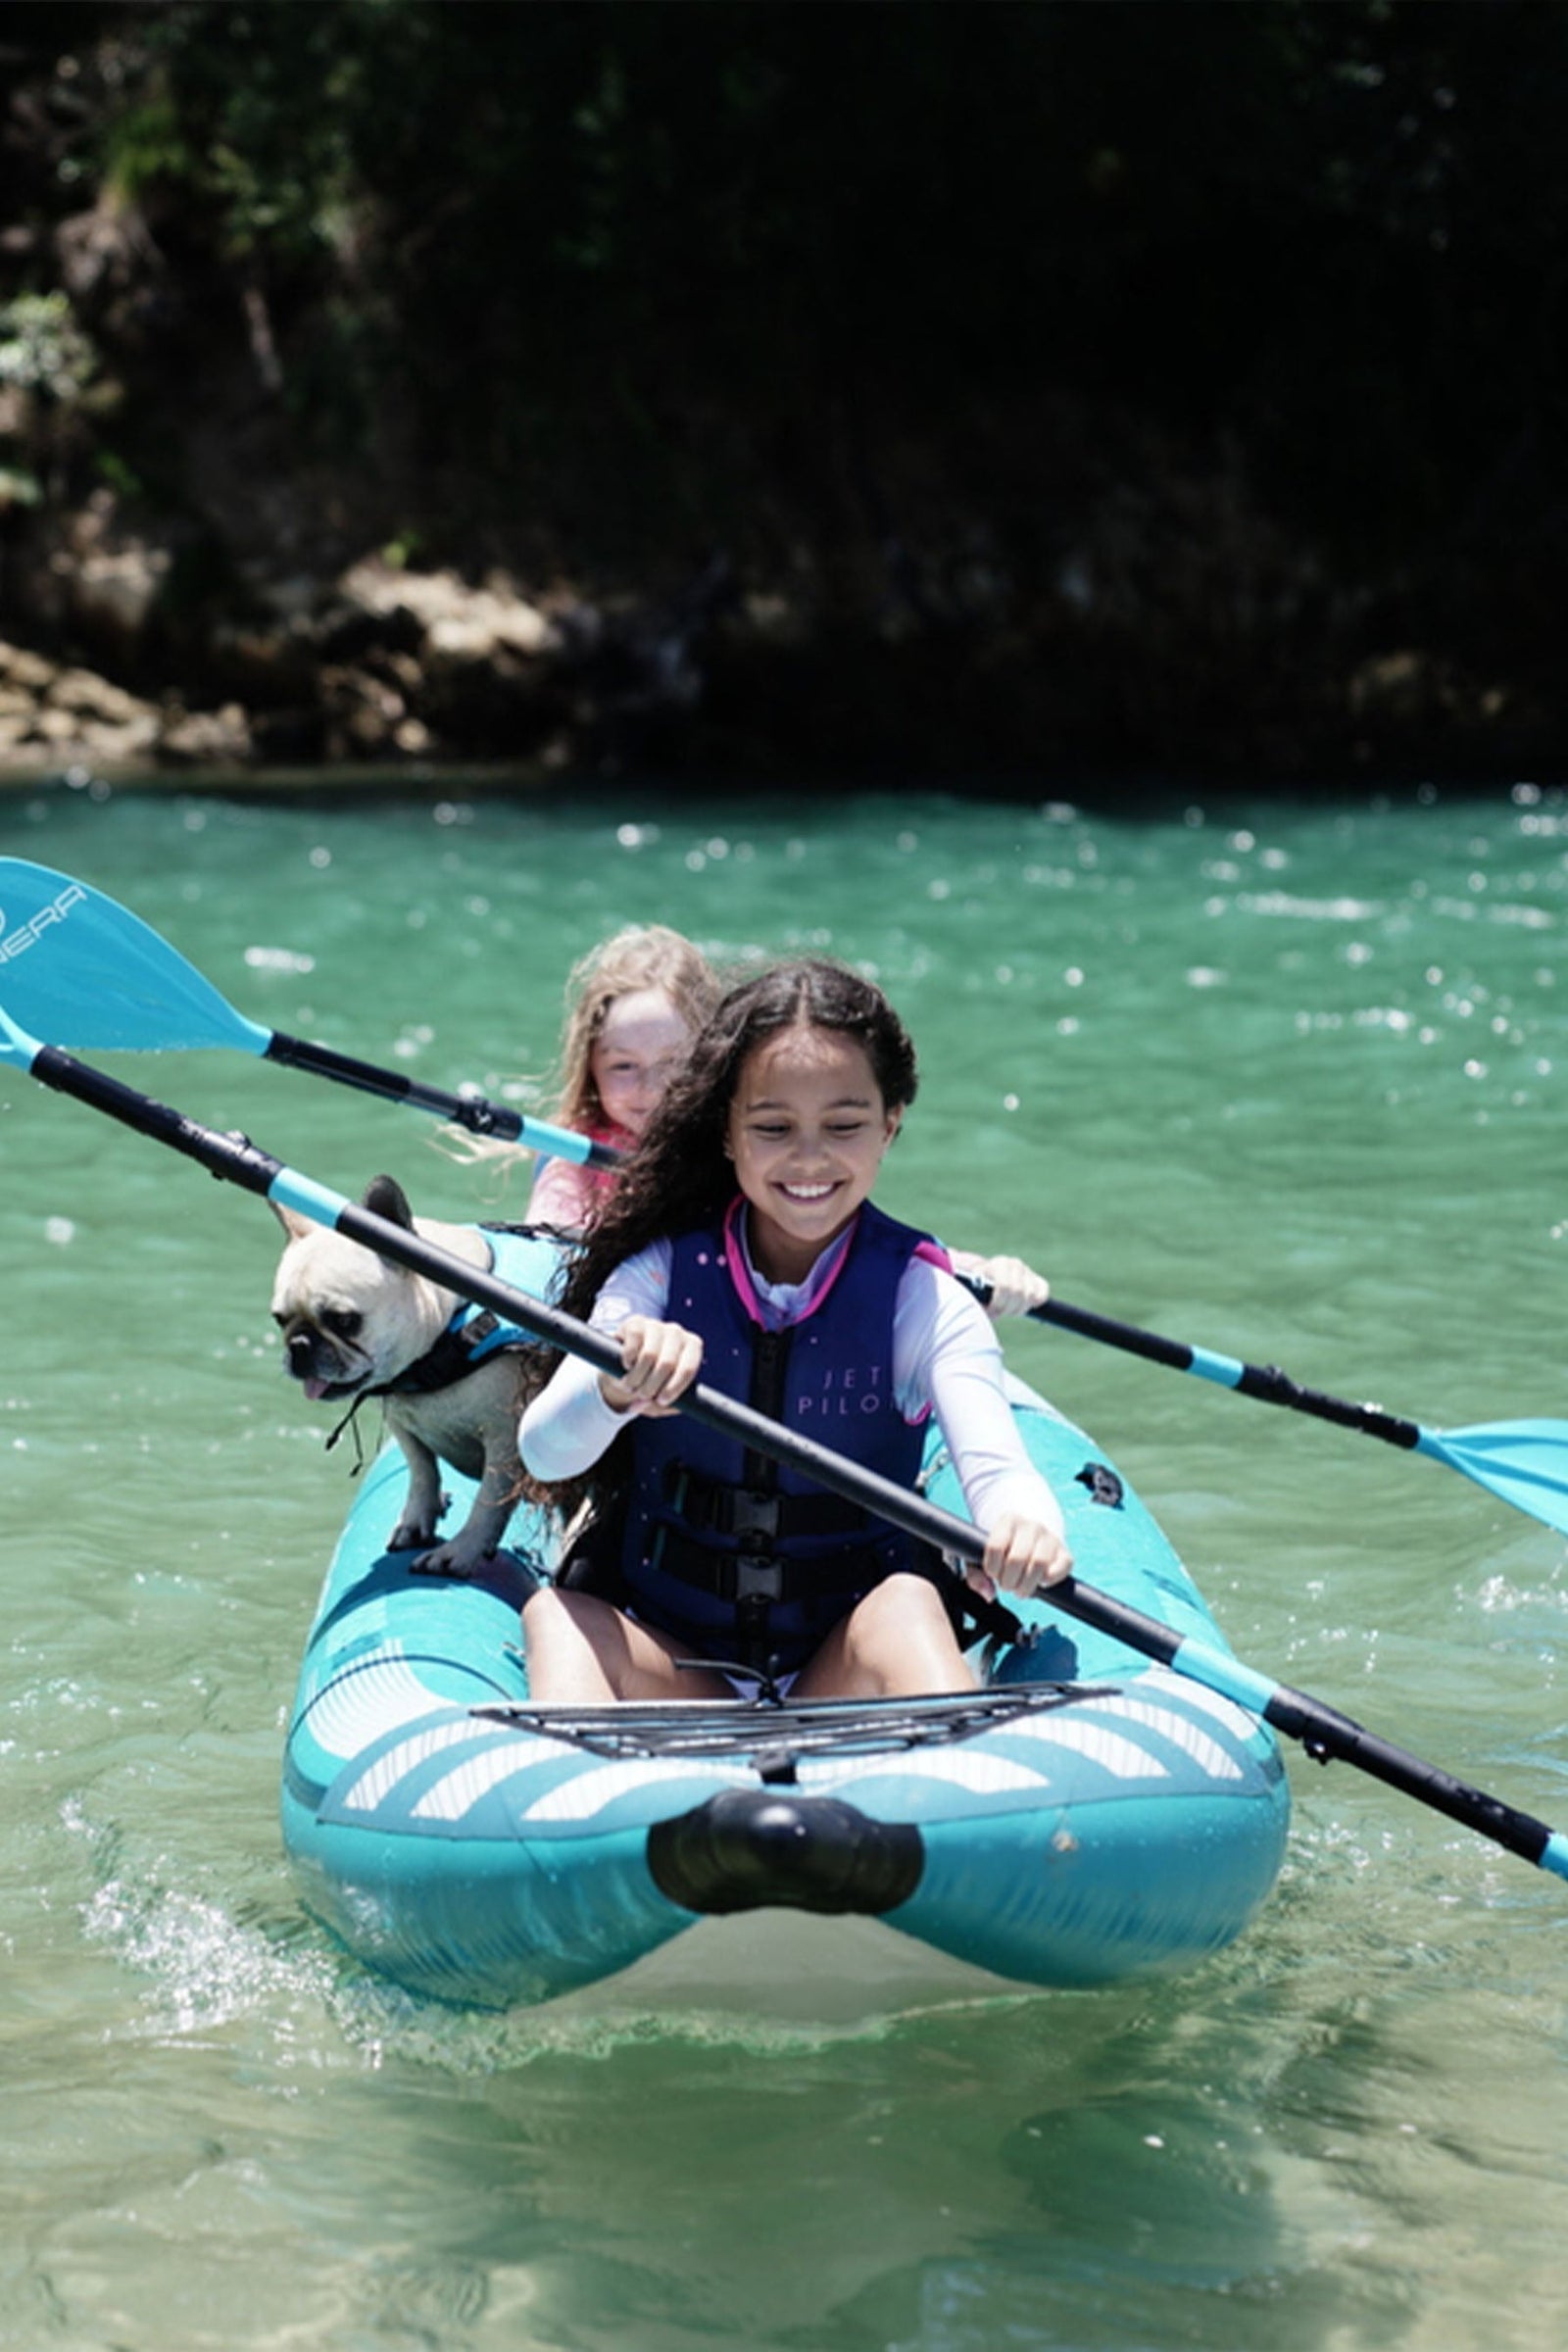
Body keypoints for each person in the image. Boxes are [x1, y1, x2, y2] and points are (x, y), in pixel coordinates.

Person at [517, 956, 1073, 1705]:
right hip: (680, 1672)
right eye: (773, 1127)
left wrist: (1023, 1526)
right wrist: (615, 1386)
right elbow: (545, 1454)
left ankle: (949, 1798)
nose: (809, 1157)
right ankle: (588, 1812)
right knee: (556, 1615)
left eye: (843, 1126)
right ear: (727, 1133)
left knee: (910, 1605)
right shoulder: (656, 1276)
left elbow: (999, 1469)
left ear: (890, 1124)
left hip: (843, 1673)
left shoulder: (925, 1299)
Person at [437, 924, 720, 1226]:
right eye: (623, 1066)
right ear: (591, 1070)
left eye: (673, 1062)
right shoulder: (571, 1160)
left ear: (711, 1056)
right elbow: (548, 1241)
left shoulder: (738, 1141)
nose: (649, 1088)